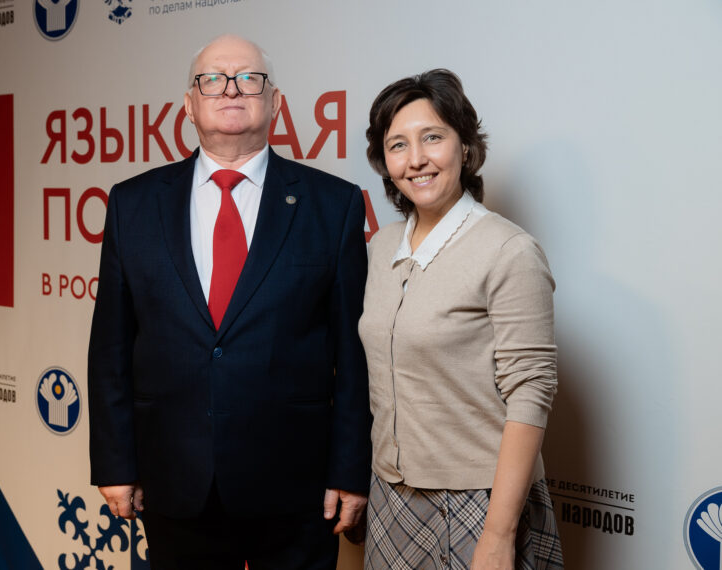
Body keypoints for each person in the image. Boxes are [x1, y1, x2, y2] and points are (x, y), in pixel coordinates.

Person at [87, 35, 372, 569]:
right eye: (212, 79)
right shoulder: (133, 203)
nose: (231, 89)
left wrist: (351, 470)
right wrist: (115, 462)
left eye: (249, 78)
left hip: (298, 486)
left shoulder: (333, 205)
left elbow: (354, 358)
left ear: (275, 102)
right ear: (188, 104)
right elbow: (111, 347)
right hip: (174, 479)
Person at [359, 69, 565, 570]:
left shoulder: (509, 250)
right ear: (385, 163)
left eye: (433, 137)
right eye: (398, 145)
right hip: (390, 496)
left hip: (482, 500)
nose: (416, 159)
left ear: (466, 147)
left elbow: (531, 391)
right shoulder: (381, 247)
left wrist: (498, 535)